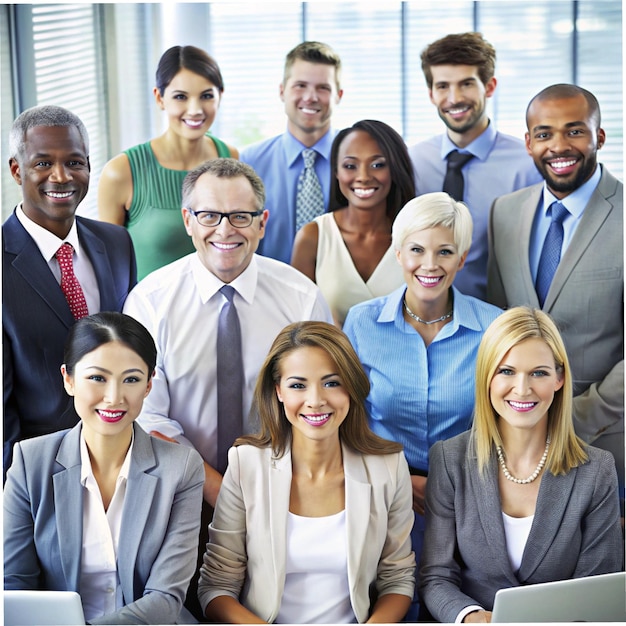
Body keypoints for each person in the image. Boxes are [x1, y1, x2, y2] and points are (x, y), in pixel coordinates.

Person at [123, 158, 332, 508]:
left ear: (262, 224)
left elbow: (324, 398)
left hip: (285, 492)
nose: (224, 230)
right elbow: (146, 415)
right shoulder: (150, 302)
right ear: (188, 221)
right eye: (209, 216)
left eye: (240, 216)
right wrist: (219, 491)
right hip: (175, 492)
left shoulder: (301, 298)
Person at [343, 192, 501, 619]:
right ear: (398, 252)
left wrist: (447, 485)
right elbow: (347, 417)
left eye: (444, 251)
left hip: (472, 499)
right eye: (417, 249)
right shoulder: (361, 321)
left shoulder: (494, 327)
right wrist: (401, 476)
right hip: (385, 495)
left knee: (466, 608)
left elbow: (505, 423)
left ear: (462, 257)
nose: (429, 265)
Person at [198, 321, 416, 623]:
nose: (315, 401)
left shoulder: (388, 468)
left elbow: (398, 578)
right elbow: (217, 586)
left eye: (332, 383)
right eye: (298, 385)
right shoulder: (246, 464)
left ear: (351, 387)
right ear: (278, 391)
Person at [419, 307, 623, 624]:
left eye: (538, 373)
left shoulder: (597, 470)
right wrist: (470, 616)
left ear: (559, 378)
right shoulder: (449, 459)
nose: (522, 389)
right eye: (507, 371)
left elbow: (596, 591)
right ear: (487, 376)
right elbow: (436, 576)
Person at [4, 312, 205, 624]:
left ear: (149, 386)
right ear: (68, 379)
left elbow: (166, 598)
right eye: (97, 378)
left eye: (132, 379)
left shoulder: (181, 467)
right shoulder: (31, 461)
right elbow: (13, 586)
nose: (114, 398)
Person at [487, 83, 624, 511]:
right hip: (517, 438)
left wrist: (576, 417)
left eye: (575, 131)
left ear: (599, 136)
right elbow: (498, 326)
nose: (559, 145)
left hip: (608, 438)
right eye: (544, 134)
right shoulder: (504, 212)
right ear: (528, 143)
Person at [3, 105, 137, 474]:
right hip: (38, 467)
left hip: (121, 456)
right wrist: (18, 490)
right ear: (17, 170)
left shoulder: (117, 243)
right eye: (43, 163)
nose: (61, 176)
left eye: (74, 163)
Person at [409, 32, 541, 300]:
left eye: (466, 84)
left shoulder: (528, 164)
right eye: (443, 86)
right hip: (425, 317)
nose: (455, 98)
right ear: (431, 94)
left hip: (501, 320)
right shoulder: (413, 162)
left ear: (489, 87)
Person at [98, 45, 238, 280]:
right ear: (159, 98)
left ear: (220, 96)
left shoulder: (230, 158)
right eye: (180, 97)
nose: (195, 110)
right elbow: (108, 270)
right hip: (148, 314)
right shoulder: (121, 172)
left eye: (206, 96)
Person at [291, 119, 415, 327]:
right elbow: (298, 323)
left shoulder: (416, 235)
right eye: (350, 166)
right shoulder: (313, 236)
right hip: (331, 358)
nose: (364, 177)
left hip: (406, 357)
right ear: (337, 172)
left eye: (377, 165)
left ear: (394, 169)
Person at [240, 41, 343, 263]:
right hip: (267, 292)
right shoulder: (250, 163)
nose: (311, 97)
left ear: (339, 96)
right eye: (300, 86)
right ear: (281, 91)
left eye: (323, 88)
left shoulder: (356, 161)